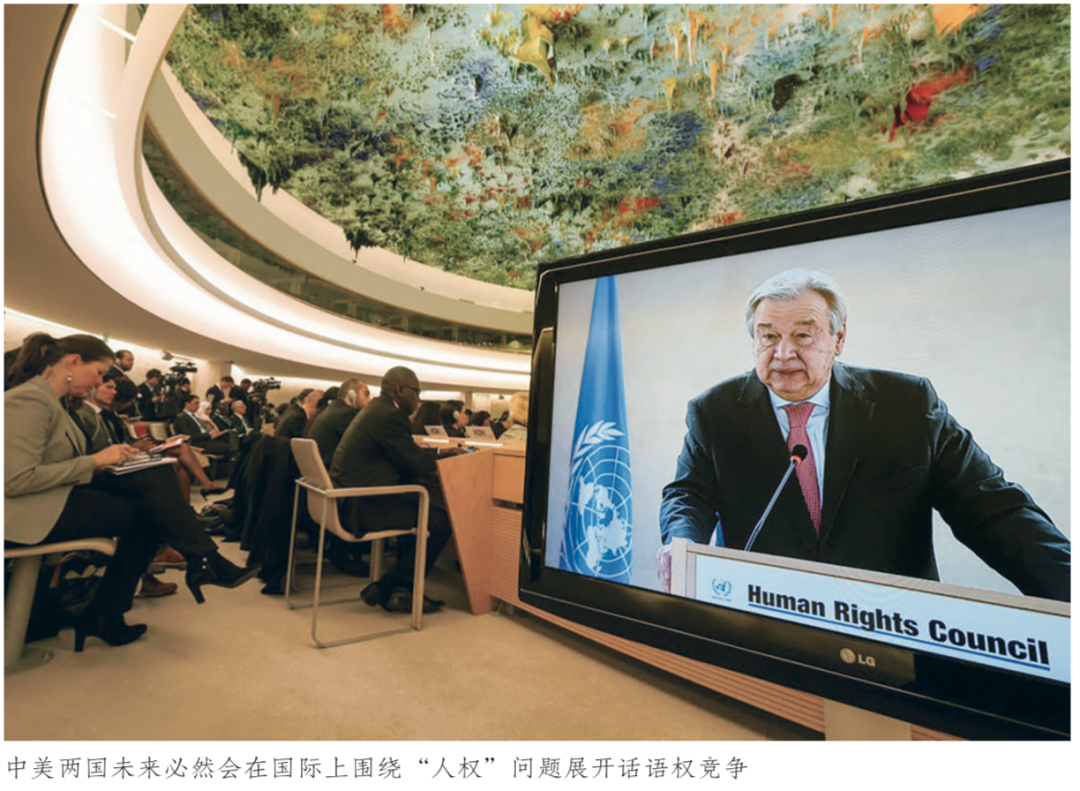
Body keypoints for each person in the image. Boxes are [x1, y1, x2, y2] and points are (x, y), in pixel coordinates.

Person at [657, 268, 1070, 601]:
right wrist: (681, 546)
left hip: (892, 628)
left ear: (838, 339)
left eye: (802, 335)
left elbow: (993, 509)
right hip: (766, 626)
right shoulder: (715, 412)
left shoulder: (906, 404)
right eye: (768, 336)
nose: (783, 353)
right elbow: (689, 495)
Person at [4, 334, 260, 651]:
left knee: (155, 477)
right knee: (151, 513)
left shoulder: (53, 403)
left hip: (51, 500)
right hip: (26, 514)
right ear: (73, 362)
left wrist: (110, 460)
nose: (99, 382)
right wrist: (95, 461)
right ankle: (196, 562)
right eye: (99, 373)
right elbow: (14, 479)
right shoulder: (28, 401)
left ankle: (192, 564)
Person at [330, 366, 463, 613]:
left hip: (346, 500)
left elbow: (405, 452)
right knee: (440, 521)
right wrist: (451, 458)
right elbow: (414, 463)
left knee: (416, 506)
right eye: (416, 392)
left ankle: (402, 590)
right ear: (400, 390)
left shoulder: (377, 409)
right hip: (361, 507)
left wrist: (439, 452)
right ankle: (389, 587)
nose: (419, 399)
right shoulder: (390, 415)